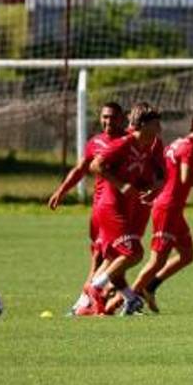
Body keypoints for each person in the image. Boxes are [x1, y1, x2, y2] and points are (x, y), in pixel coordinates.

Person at [48, 102, 127, 315]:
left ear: (122, 118)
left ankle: (100, 299)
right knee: (102, 256)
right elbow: (81, 168)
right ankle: (92, 301)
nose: (108, 121)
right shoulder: (96, 143)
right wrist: (61, 191)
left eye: (112, 117)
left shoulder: (129, 142)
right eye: (104, 117)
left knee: (116, 256)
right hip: (102, 210)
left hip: (125, 209)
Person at [85, 108, 165, 315]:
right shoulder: (124, 143)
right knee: (133, 252)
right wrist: (120, 186)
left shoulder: (145, 148)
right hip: (110, 206)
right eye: (156, 124)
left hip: (123, 207)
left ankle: (130, 299)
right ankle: (95, 287)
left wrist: (151, 190)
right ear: (144, 125)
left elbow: (141, 178)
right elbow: (95, 165)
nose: (160, 128)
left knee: (117, 259)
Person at [130, 125, 193, 312]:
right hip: (168, 209)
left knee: (187, 255)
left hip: (172, 209)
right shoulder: (190, 148)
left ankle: (150, 287)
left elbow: (166, 175)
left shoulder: (176, 144)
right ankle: (128, 298)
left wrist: (155, 191)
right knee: (157, 261)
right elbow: (185, 179)